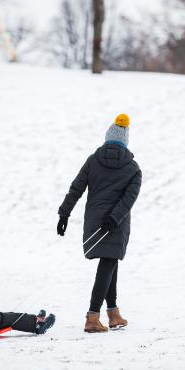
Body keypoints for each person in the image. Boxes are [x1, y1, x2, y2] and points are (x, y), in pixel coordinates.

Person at [57, 114, 142, 333]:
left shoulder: (93, 160)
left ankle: (113, 313)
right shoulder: (133, 168)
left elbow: (76, 187)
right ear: (126, 140)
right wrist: (114, 218)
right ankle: (92, 317)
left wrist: (64, 214)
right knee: (108, 264)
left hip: (94, 221)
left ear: (107, 138)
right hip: (117, 222)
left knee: (110, 262)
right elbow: (128, 199)